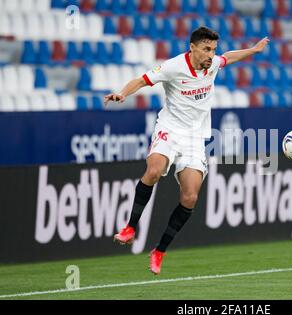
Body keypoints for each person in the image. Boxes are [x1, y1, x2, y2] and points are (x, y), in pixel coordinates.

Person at [104, 26, 269, 275]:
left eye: (213, 49)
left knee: (190, 197)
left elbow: (230, 57)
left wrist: (254, 50)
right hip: (170, 129)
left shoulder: (212, 64)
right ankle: (129, 229)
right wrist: (122, 94)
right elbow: (141, 80)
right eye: (206, 49)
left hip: (195, 138)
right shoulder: (173, 67)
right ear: (192, 47)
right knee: (155, 170)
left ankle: (159, 251)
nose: (210, 55)